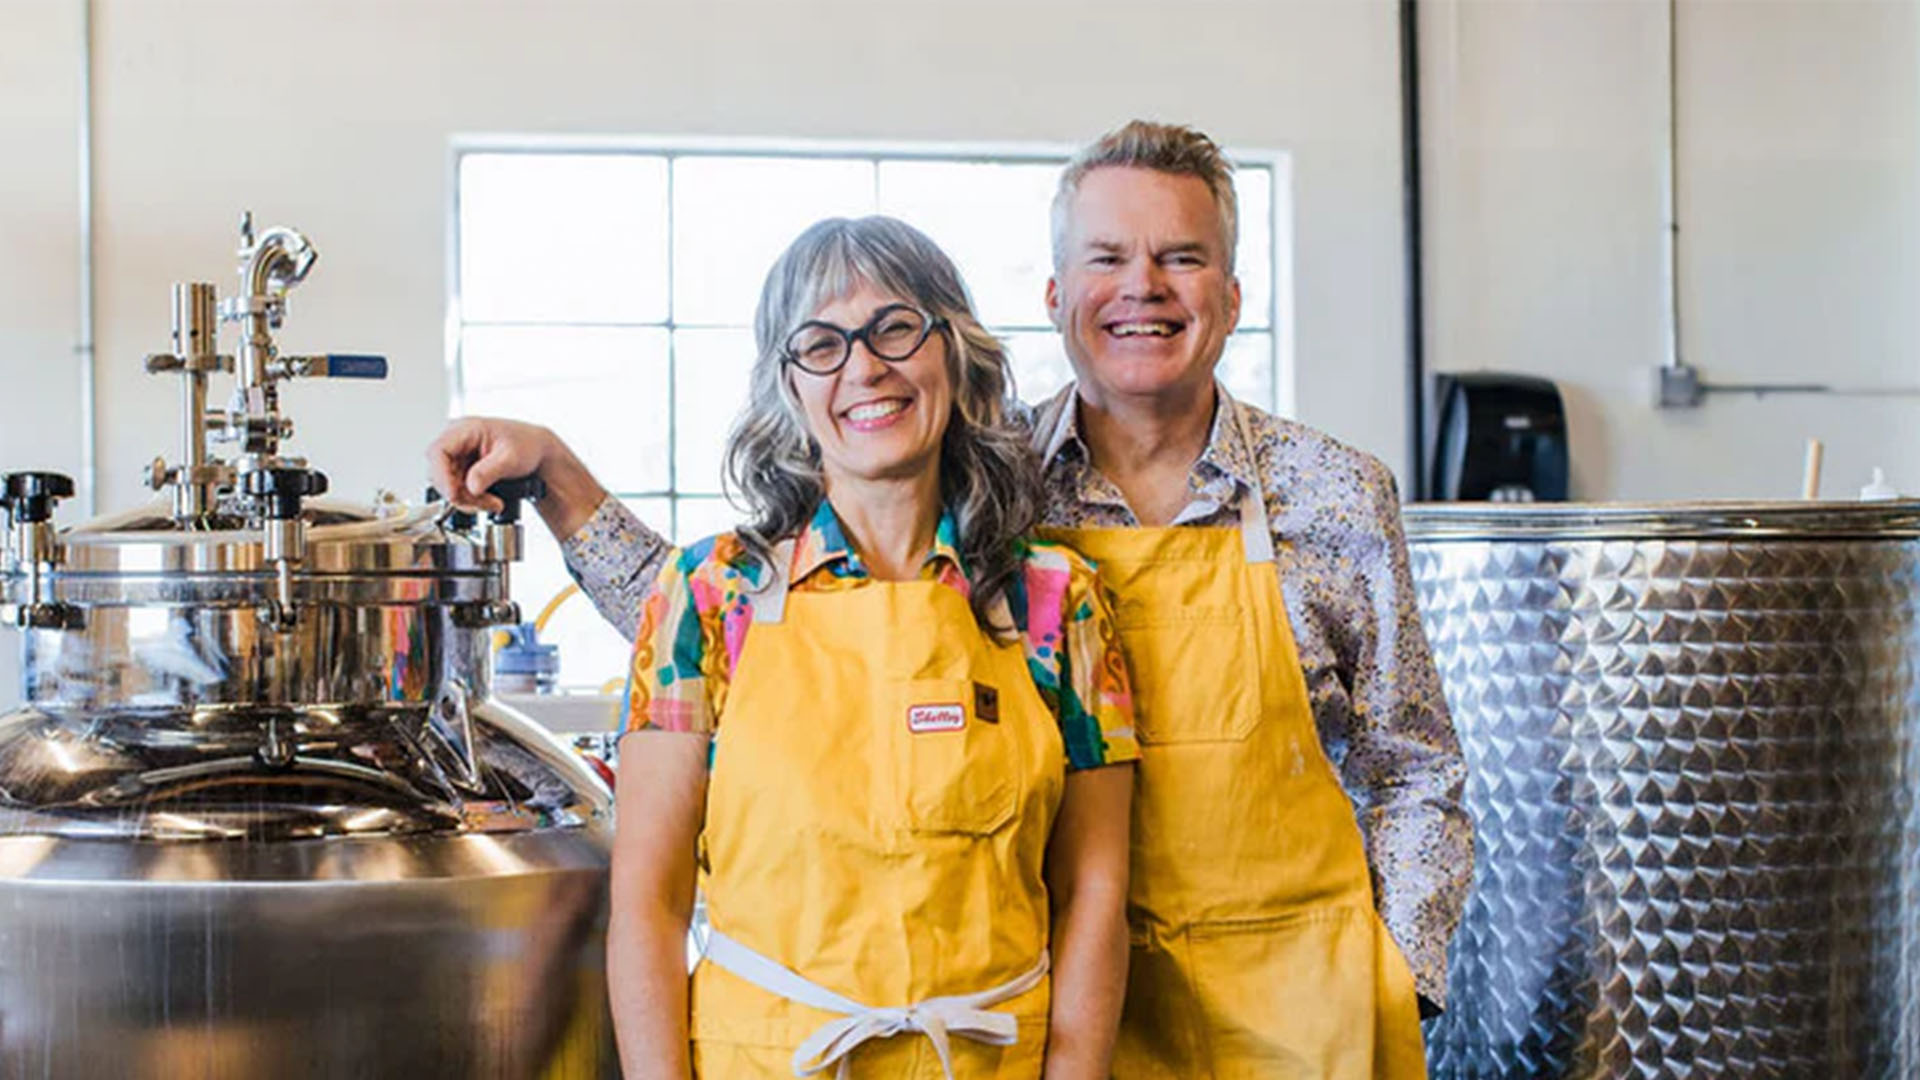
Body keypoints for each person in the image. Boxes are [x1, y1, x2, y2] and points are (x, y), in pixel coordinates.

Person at [430, 121, 1470, 1077]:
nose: (1142, 289)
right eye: (1107, 258)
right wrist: (560, 483)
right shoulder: (988, 470)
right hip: (1079, 1013)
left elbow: (1415, 762)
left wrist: (1401, 975)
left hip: (1289, 1012)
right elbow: (713, 620)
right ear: (1056, 297)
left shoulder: (1328, 494)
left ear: (1233, 294)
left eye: (1182, 257)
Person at [599, 216, 1137, 1078]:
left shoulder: (1052, 600)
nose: (863, 368)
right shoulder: (709, 594)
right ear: (790, 388)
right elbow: (650, 903)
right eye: (821, 344)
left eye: (894, 328)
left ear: (954, 356)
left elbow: (1095, 897)